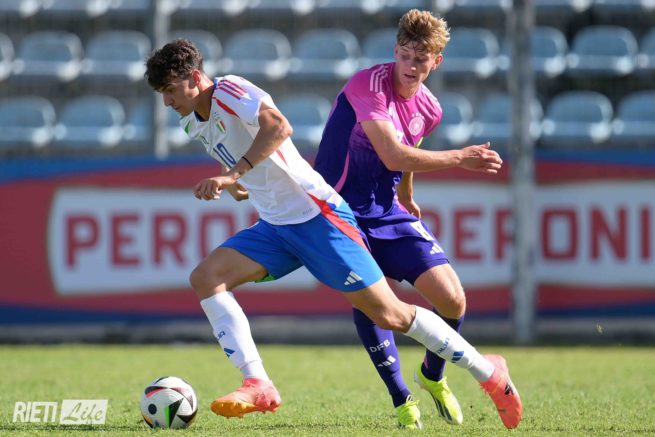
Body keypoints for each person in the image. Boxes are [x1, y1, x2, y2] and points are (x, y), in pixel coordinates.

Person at [144, 38, 522, 429]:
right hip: (276, 225)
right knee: (206, 277)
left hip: (318, 216)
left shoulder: (229, 90)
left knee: (391, 314)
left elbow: (278, 126)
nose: (167, 102)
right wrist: (239, 184)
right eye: (162, 94)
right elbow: (248, 158)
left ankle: (489, 372)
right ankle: (258, 383)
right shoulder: (192, 121)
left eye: (170, 90)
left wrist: (232, 175)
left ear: (195, 77)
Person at [313, 9, 520, 430]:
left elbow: (410, 147)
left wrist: (406, 193)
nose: (410, 66)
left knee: (453, 300)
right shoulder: (367, 85)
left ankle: (432, 374)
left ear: (436, 61)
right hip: (340, 210)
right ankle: (401, 399)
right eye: (405, 55)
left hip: (387, 209)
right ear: (395, 51)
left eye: (420, 59)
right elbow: (392, 153)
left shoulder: (430, 107)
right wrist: (460, 157)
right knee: (375, 302)